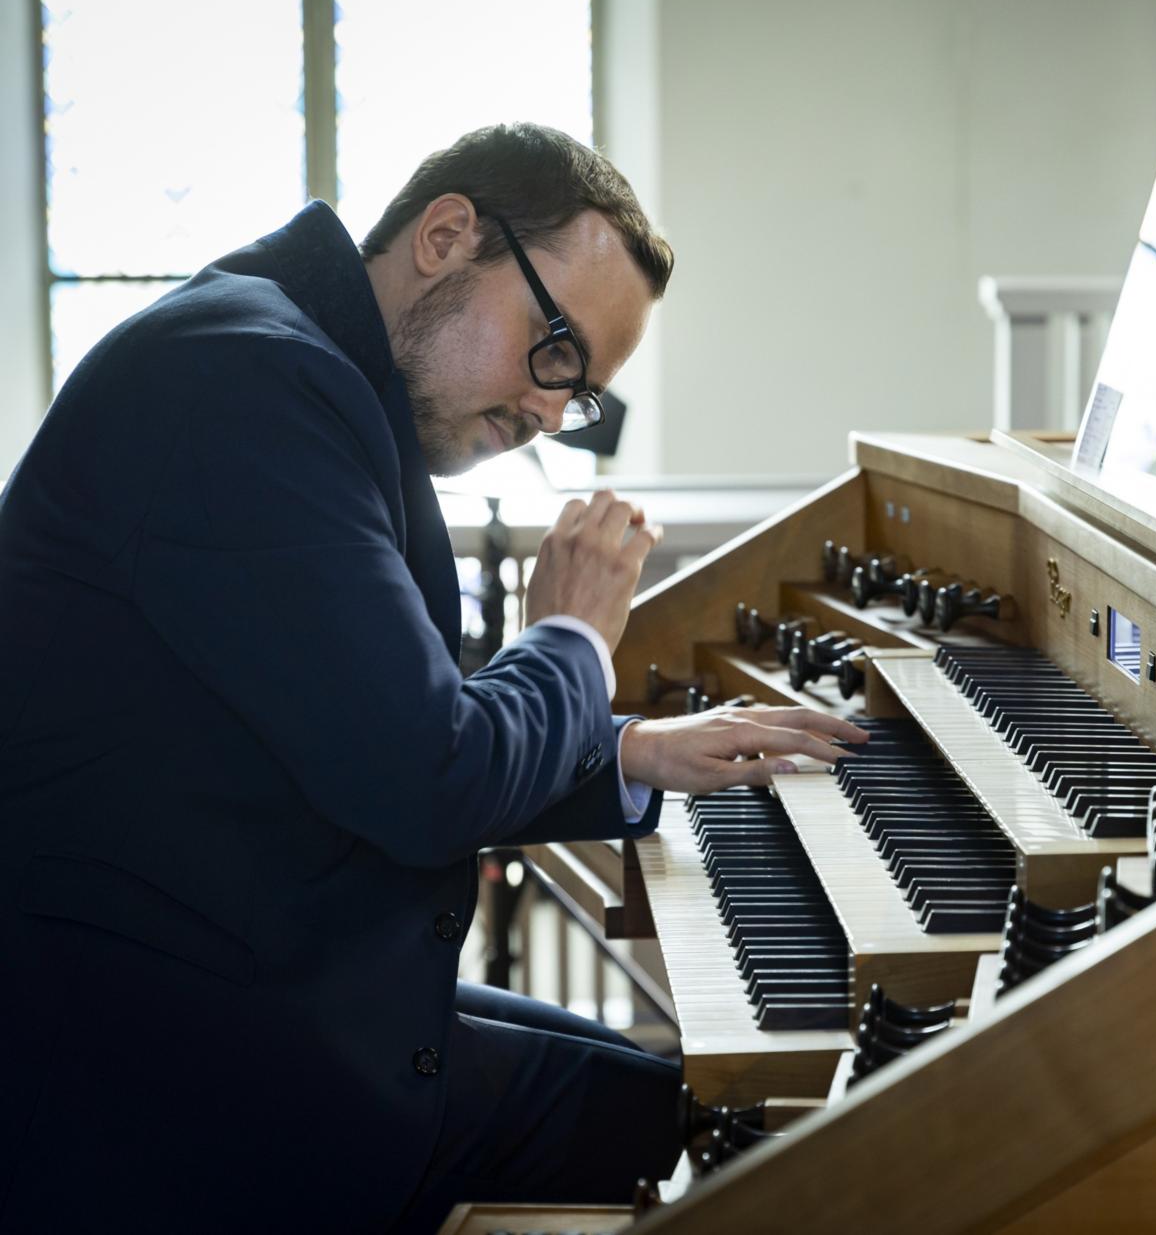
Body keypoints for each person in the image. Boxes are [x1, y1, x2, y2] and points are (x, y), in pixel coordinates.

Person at [0, 122, 864, 1234]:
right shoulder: (244, 382)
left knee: (708, 1098)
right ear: (447, 235)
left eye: (583, 393)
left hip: (233, 980)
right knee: (728, 1136)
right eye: (555, 351)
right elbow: (428, 776)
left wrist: (627, 753)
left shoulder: (295, 367)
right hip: (154, 1066)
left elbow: (371, 727)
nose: (555, 410)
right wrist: (572, 639)